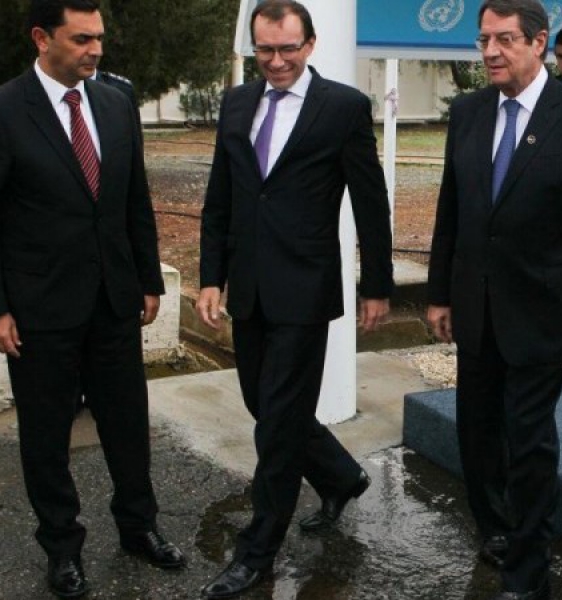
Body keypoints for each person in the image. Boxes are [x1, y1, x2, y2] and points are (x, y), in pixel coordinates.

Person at [0, 0, 186, 597]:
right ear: (42, 37)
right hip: (38, 311)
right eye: (81, 38)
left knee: (128, 424)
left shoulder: (115, 102)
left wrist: (148, 279)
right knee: (46, 436)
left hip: (113, 301)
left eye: (99, 37)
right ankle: (62, 547)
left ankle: (139, 527)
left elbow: (133, 198)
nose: (96, 50)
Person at [195, 0, 393, 597]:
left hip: (305, 289)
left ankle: (257, 551)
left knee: (278, 426)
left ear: (309, 44)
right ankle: (340, 476)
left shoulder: (343, 107)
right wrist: (211, 277)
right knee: (265, 404)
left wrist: (377, 284)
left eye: (287, 48)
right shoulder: (237, 103)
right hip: (249, 287)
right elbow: (221, 197)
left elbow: (370, 201)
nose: (276, 61)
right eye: (265, 49)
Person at [426, 1, 562, 598]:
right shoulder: (468, 113)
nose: (491, 52)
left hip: (543, 316)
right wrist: (439, 293)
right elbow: (452, 209)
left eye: (504, 39)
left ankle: (528, 573)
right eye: (484, 39)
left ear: (539, 43)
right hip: (475, 312)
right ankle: (497, 532)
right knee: (477, 437)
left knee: (528, 443)